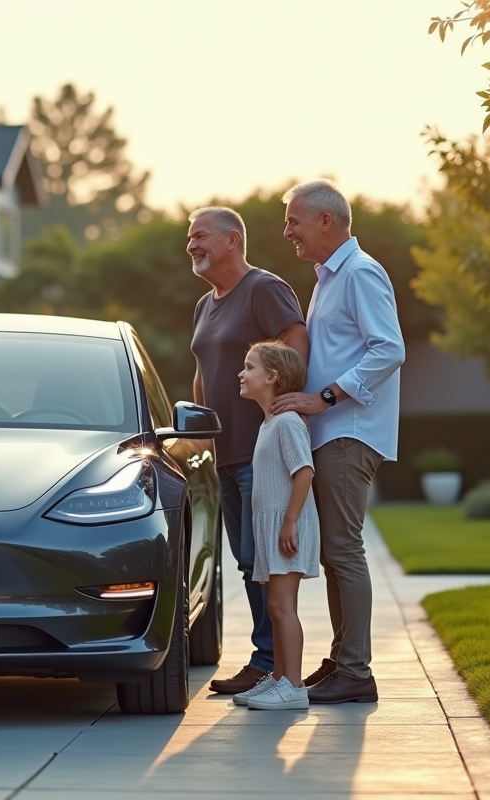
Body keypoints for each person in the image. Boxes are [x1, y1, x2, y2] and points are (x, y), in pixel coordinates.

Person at [272, 179, 405, 704]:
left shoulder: (361, 272)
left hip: (349, 432)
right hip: (331, 432)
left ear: (326, 220)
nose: (288, 232)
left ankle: (357, 670)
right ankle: (343, 660)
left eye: (294, 221)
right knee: (333, 551)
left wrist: (323, 398)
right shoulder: (329, 277)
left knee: (343, 550)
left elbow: (388, 350)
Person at [185, 206, 310, 696]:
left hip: (261, 452)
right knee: (246, 560)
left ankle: (273, 665)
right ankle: (267, 660)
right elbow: (203, 371)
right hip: (224, 453)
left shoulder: (264, 288)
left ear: (232, 239)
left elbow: (294, 340)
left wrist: (283, 407)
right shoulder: (204, 304)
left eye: (200, 236)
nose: (191, 245)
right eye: (189, 238)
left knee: (265, 560)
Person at [232, 341, 320, 711]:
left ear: (272, 377)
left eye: (249, 367)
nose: (241, 373)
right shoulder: (268, 423)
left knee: (283, 607)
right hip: (272, 527)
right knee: (275, 607)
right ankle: (280, 680)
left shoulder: (286, 423)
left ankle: (294, 687)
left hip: (288, 526)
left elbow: (304, 472)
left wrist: (289, 522)